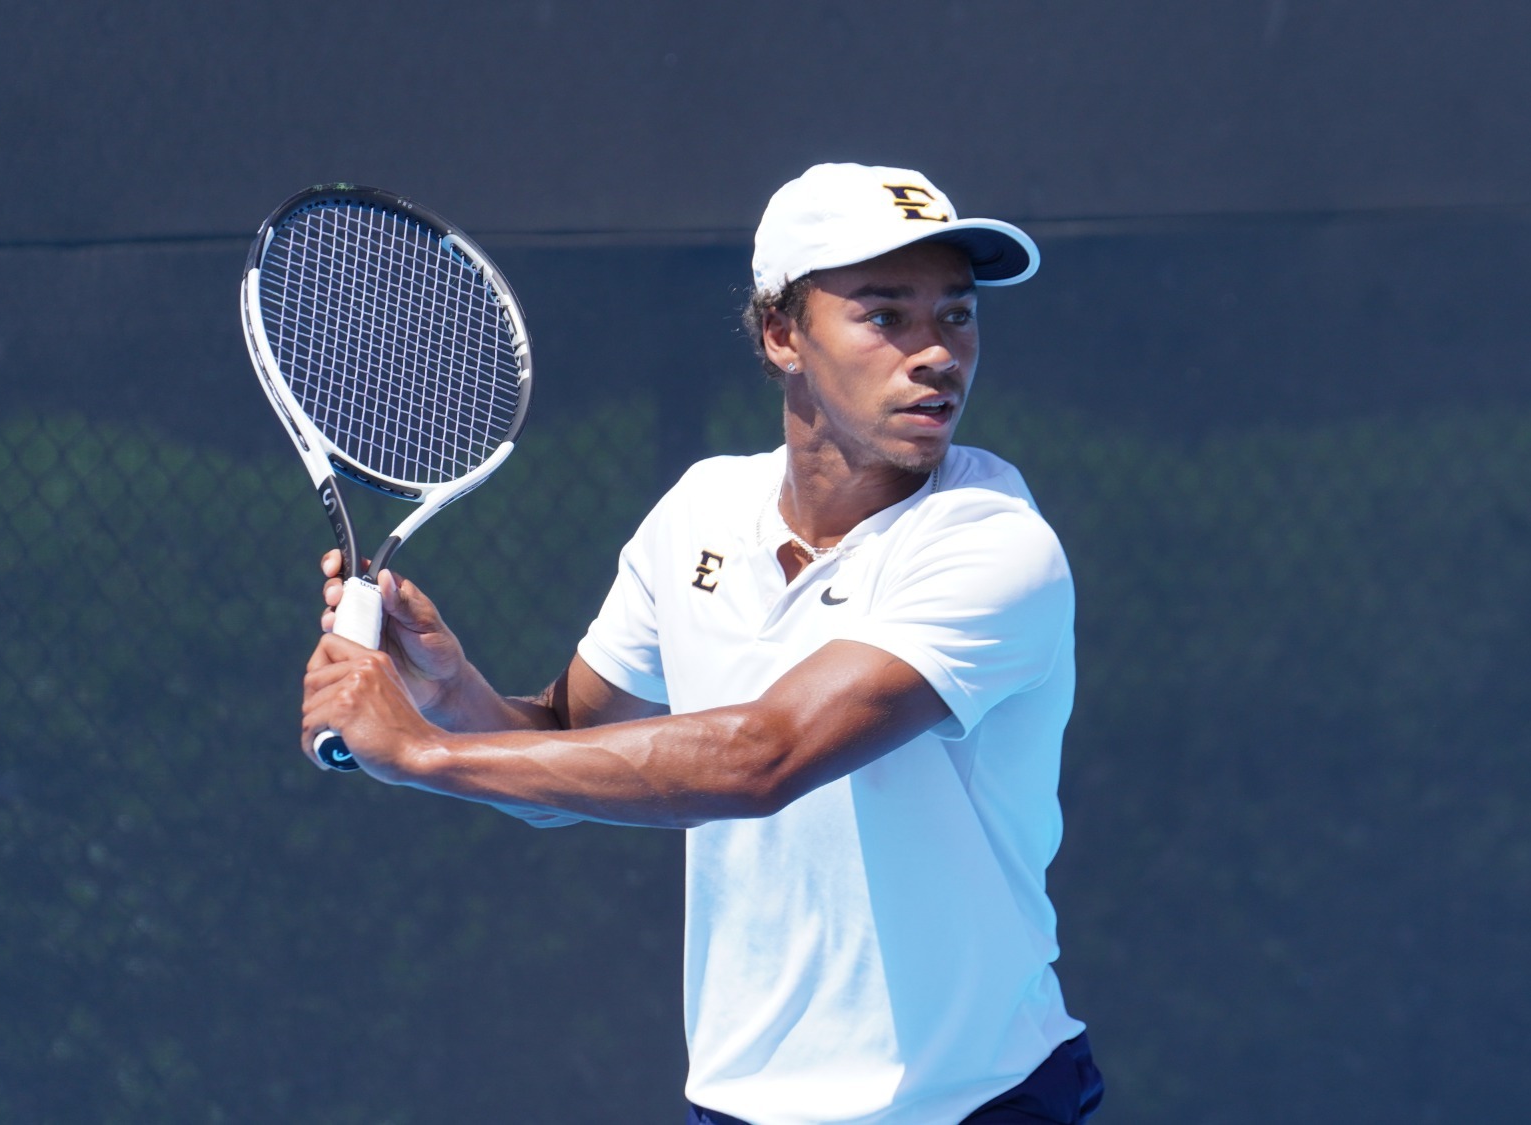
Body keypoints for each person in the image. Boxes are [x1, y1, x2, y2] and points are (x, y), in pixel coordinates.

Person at [301, 162, 1103, 1125]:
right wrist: (448, 689)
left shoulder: (994, 543)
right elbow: (564, 751)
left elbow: (764, 757)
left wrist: (426, 752)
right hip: (739, 1105)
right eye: (886, 315)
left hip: (973, 1103)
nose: (936, 352)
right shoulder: (700, 510)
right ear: (782, 335)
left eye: (958, 314)